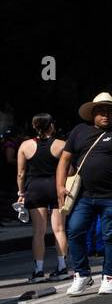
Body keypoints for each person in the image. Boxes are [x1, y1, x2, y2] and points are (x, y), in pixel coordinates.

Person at [58, 92, 112, 296]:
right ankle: (82, 274)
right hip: (84, 195)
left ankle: (109, 277)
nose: (106, 115)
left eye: (110, 112)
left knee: (110, 235)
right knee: (74, 231)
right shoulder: (79, 131)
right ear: (93, 114)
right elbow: (64, 159)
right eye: (101, 111)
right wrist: (60, 186)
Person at [16, 114, 68, 280]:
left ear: (34, 126)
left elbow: (21, 173)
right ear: (51, 126)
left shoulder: (25, 146)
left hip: (34, 189)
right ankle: (62, 267)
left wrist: (21, 193)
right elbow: (71, 170)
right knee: (59, 229)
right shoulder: (61, 145)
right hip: (55, 187)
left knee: (38, 231)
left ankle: (38, 271)